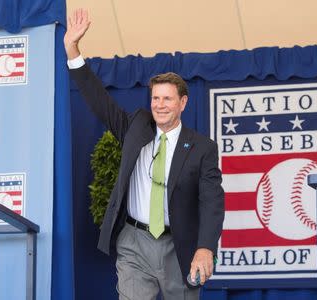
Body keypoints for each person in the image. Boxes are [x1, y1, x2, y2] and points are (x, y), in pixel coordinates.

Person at [64, 9, 224, 300]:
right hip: (134, 242)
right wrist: (72, 49)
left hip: (179, 245)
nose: (160, 105)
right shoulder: (135, 126)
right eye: (155, 98)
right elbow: (98, 100)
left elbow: (213, 202)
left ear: (182, 103)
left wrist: (205, 247)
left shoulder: (202, 148)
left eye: (167, 99)